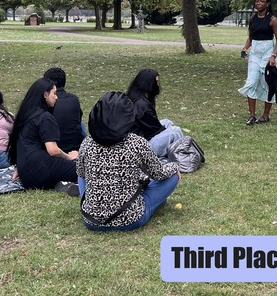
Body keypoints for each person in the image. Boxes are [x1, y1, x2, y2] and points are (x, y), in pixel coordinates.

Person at [77, 91, 181, 231]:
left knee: (81, 173)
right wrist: (174, 166)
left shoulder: (87, 143)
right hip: (131, 219)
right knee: (172, 176)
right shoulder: (136, 143)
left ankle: (94, 205)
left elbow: (81, 174)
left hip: (91, 220)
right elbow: (159, 174)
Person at [7, 77, 79, 194]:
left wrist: (20, 167)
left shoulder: (26, 114)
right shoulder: (45, 117)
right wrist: (70, 157)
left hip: (26, 174)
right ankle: (64, 183)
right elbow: (53, 151)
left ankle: (59, 182)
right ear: (45, 95)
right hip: (40, 169)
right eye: (54, 93)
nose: (56, 97)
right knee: (84, 170)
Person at [238, 0, 277, 125]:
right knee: (251, 82)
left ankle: (265, 115)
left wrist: (273, 56)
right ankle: (252, 115)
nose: (258, 3)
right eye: (257, 1)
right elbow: (251, 37)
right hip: (255, 55)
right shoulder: (253, 19)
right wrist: (245, 48)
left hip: (268, 54)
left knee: (267, 84)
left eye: (261, 1)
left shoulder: (273, 20)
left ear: (267, 4)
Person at [127, 69, 184, 158]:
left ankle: (173, 151)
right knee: (176, 131)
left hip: (139, 138)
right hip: (140, 148)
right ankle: (181, 155)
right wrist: (168, 130)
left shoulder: (135, 97)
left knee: (167, 122)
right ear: (149, 85)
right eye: (156, 82)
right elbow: (154, 130)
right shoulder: (141, 105)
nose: (158, 85)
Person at [43, 67, 84, 153]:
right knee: (81, 124)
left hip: (54, 147)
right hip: (75, 146)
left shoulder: (45, 102)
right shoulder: (73, 99)